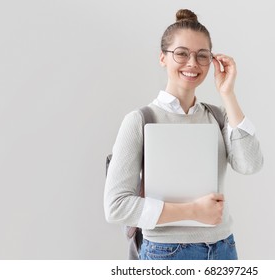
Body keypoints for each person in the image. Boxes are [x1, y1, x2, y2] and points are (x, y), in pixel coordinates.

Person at [104, 9, 263, 260]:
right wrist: (192, 211)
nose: (192, 63)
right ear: (162, 58)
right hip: (166, 252)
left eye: (202, 56)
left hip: (222, 248)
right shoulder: (140, 120)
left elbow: (250, 165)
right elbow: (116, 207)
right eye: (181, 54)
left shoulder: (218, 116)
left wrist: (228, 94)